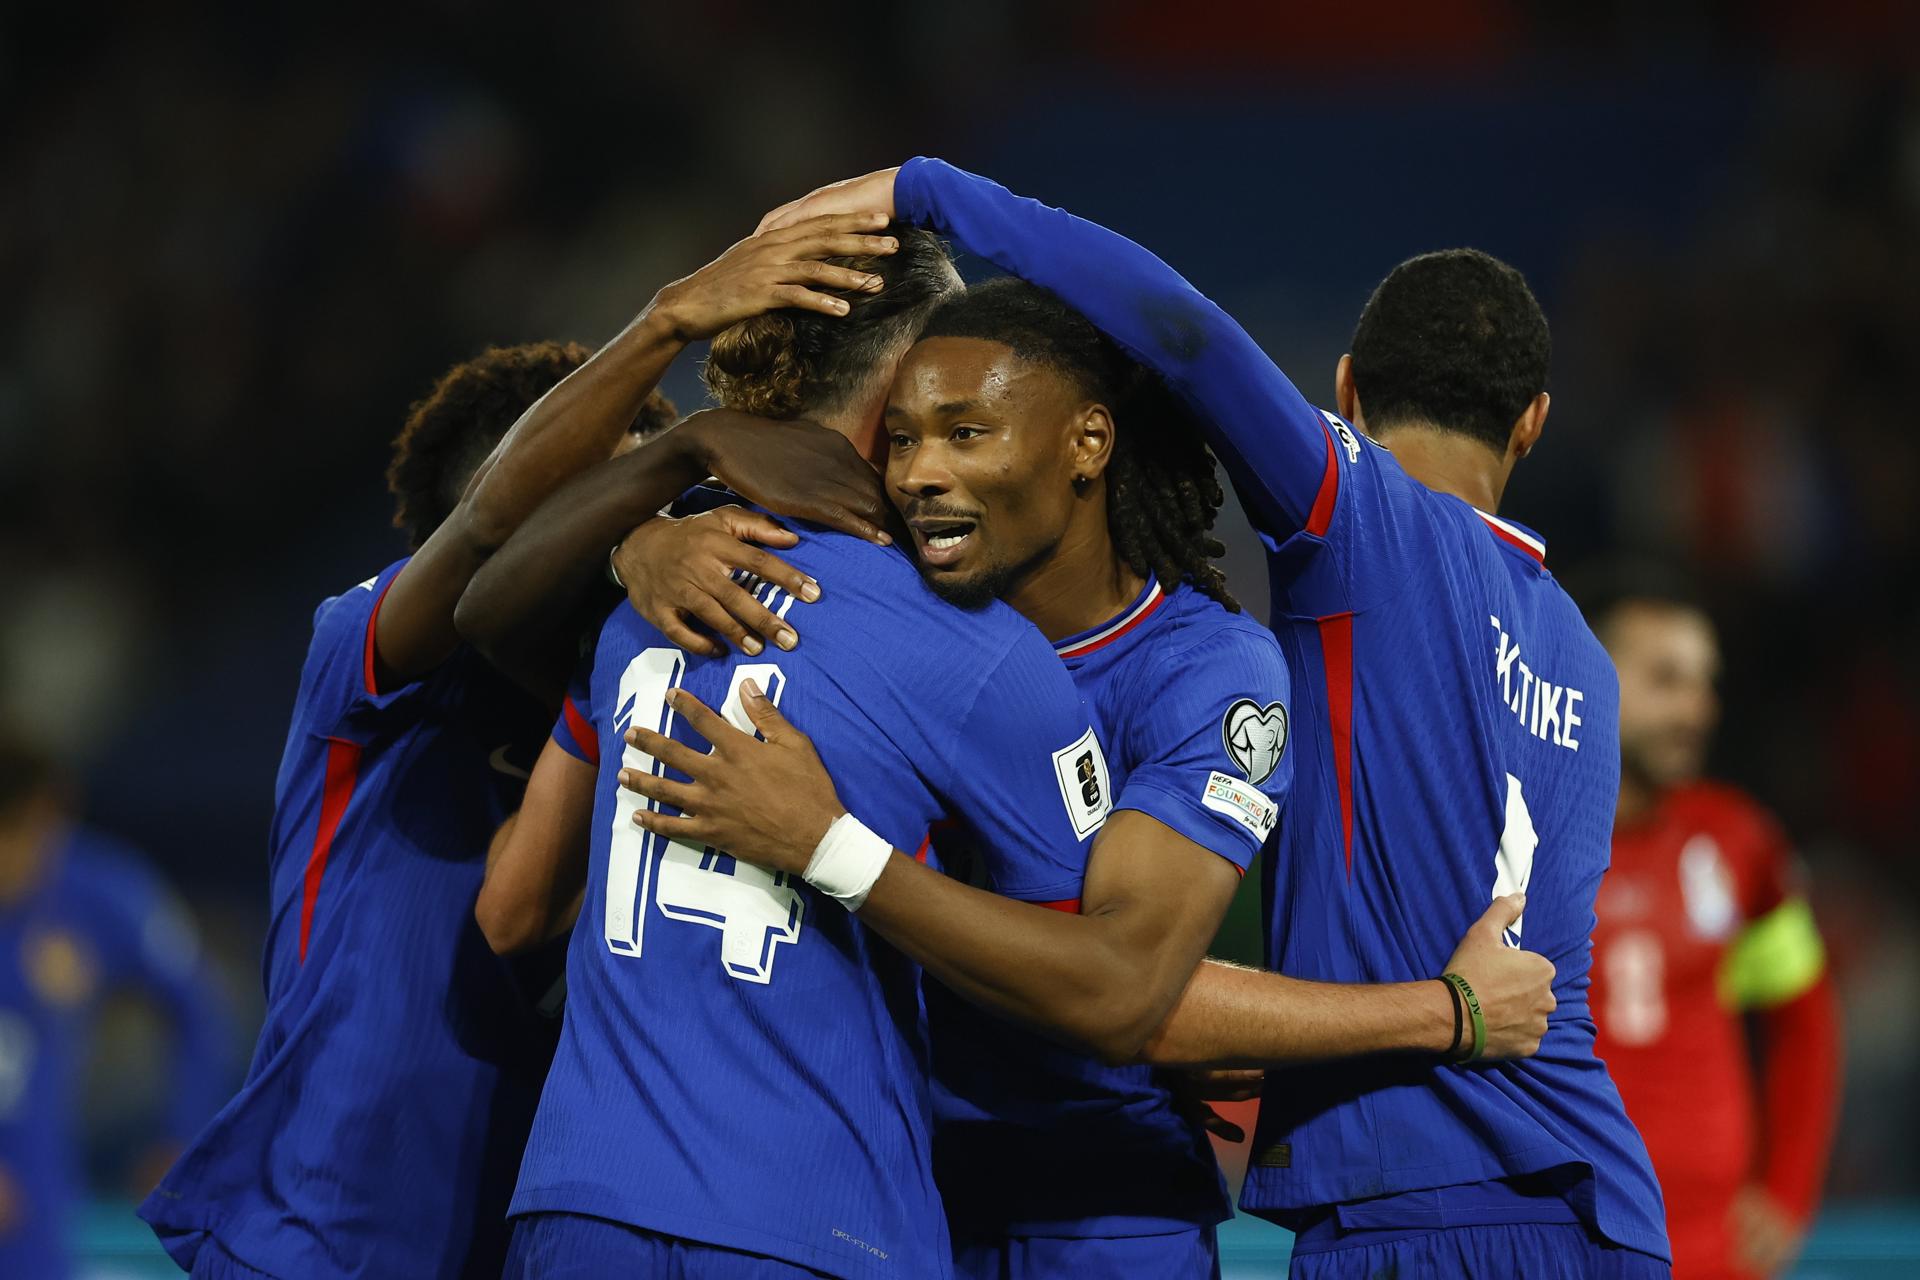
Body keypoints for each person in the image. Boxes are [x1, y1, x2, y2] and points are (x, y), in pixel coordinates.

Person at [469, 235, 1550, 1279]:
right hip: (904, 1190)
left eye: (966, 432)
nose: (920, 472)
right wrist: (639, 539)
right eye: (902, 437)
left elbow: (1131, 989)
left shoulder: (1208, 673)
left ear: (1086, 444)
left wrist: (1437, 1012)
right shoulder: (869, 608)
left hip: (1099, 1214)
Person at [741, 159, 1669, 1278]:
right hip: (1596, 1197)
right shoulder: (1583, 660)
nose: (922, 470)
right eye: (903, 439)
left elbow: (1183, 333)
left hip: (1415, 1193)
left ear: (1346, 392)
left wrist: (935, 191)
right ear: (1532, 424)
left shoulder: (1369, 533)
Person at [138, 215, 896, 1280]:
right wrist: (670, 331)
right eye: (607, 496)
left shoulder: (653, 681)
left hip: (530, 1238)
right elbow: (492, 533)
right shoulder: (368, 653)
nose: (644, 519)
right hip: (319, 1236)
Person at [1576, 563, 1840, 1280]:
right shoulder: (1517, 839)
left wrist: (1787, 1190)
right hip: (1569, 1246)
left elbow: (1805, 1020)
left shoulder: (1741, 843)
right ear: (1587, 676)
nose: (1698, 709)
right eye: (1667, 680)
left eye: (1705, 683)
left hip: (1716, 1253)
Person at [0, 727, 230, 1280]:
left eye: (11, 835)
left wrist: (183, 1133)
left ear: (46, 815)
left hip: (35, 1209)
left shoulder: (99, 892)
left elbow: (199, 1009)